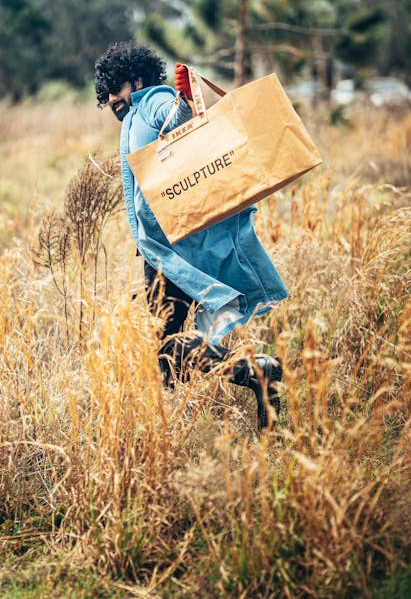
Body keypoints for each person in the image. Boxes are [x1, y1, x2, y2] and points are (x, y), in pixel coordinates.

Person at [94, 41, 288, 431]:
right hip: (165, 250)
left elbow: (179, 124)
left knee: (164, 347)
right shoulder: (133, 116)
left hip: (174, 253)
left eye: (117, 88)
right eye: (106, 94)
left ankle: (254, 373)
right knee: (168, 355)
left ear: (138, 78)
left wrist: (183, 99)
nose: (112, 99)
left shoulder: (151, 103)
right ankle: (179, 427)